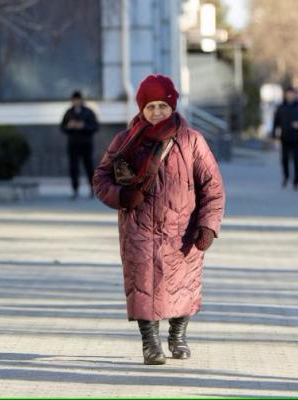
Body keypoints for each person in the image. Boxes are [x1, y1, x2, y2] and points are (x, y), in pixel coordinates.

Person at [93, 74, 225, 365]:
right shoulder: (125, 141)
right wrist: (123, 197)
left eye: (162, 107)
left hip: (182, 231)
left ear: (172, 107)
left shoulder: (191, 141)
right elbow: (100, 179)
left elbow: (213, 187)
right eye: (150, 106)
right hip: (138, 230)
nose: (156, 113)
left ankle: (178, 335)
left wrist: (208, 226)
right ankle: (150, 343)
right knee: (142, 286)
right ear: (141, 108)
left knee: (183, 286)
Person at [60, 91, 99, 200]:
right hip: (73, 145)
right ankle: (75, 190)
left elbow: (95, 127)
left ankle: (92, 189)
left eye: (78, 99)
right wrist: (69, 126)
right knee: (73, 168)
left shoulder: (88, 112)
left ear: (81, 100)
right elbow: (62, 127)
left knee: (89, 167)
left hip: (86, 144)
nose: (76, 102)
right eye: (74, 100)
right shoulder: (68, 112)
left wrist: (83, 126)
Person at [271, 87, 298, 191]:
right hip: (284, 138)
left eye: (292, 94)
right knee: (284, 160)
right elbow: (276, 122)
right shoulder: (281, 107)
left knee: (297, 161)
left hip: (296, 138)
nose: (290, 96)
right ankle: (286, 176)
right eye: (288, 94)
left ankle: (296, 182)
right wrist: (274, 136)